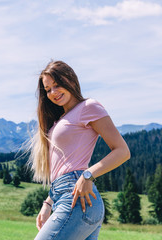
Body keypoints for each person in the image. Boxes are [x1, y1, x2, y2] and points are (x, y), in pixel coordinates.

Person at [29, 60, 130, 240]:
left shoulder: (88, 107)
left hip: (77, 199)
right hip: (65, 197)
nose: (53, 92)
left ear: (72, 81)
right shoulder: (61, 118)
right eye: (48, 89)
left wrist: (88, 175)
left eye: (57, 85)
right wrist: (48, 202)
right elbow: (63, 164)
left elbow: (122, 151)